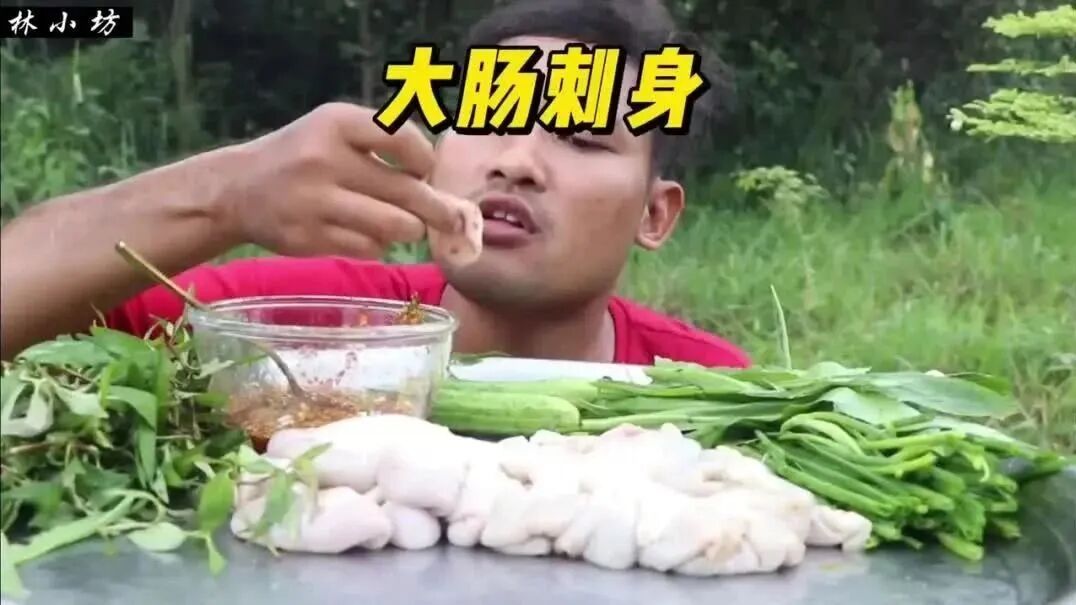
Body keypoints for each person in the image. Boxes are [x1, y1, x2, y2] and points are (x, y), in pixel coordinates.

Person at [0, 0, 750, 368]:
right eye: (487, 118)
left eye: (582, 138)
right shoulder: (297, 322)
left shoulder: (707, 393)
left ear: (656, 215)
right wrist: (228, 191)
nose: (516, 161)